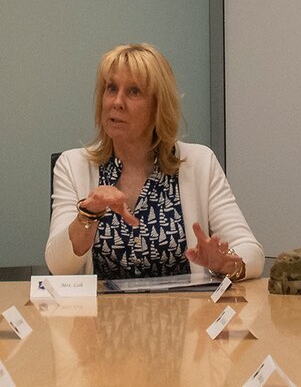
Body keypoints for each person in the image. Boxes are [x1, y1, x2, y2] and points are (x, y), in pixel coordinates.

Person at [47, 43, 262, 282]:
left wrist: (226, 263)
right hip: (102, 316)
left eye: (133, 92)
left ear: (158, 105)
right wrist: (88, 214)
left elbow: (251, 251)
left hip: (187, 316)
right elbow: (58, 266)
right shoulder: (73, 165)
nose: (117, 102)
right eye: (111, 88)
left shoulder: (199, 162)